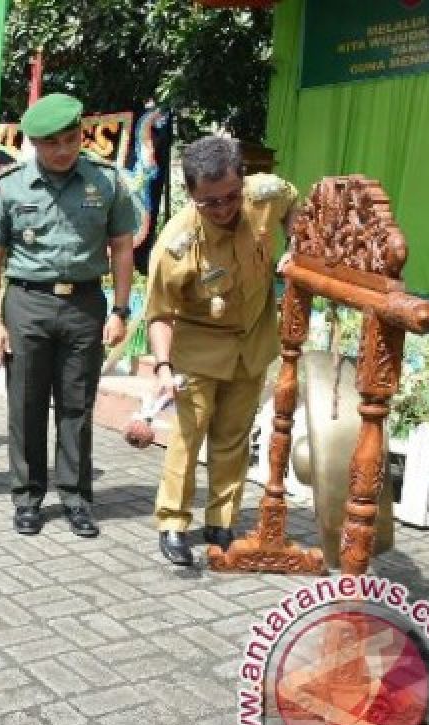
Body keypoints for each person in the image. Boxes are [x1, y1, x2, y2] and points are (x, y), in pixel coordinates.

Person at [0, 93, 138, 537]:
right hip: (28, 303)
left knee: (77, 406)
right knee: (25, 405)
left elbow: (123, 247)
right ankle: (27, 497)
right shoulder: (8, 186)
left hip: (85, 304)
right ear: (34, 143)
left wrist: (121, 309)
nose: (63, 150)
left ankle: (76, 498)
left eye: (71, 139)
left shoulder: (106, 182)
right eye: (52, 143)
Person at [145, 135, 298, 567]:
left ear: (242, 181)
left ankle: (221, 521)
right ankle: (173, 522)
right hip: (198, 350)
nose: (224, 208)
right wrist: (161, 367)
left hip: (252, 342)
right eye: (210, 202)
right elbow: (159, 313)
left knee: (233, 438)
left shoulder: (265, 194)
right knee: (188, 440)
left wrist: (298, 245)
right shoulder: (175, 245)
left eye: (231, 196)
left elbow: (294, 203)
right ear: (192, 194)